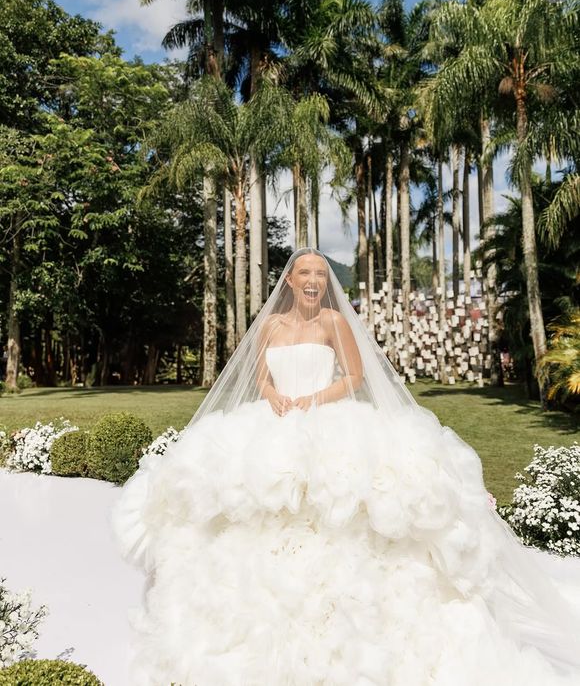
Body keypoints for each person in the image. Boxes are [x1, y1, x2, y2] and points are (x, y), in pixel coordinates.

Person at [113, 248, 580, 686]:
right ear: (290, 282)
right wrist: (275, 396)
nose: (314, 281)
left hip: (325, 420)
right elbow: (260, 376)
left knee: (337, 507)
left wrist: (314, 399)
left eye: (321, 274)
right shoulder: (271, 326)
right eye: (306, 274)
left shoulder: (335, 322)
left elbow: (355, 376)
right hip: (274, 421)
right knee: (251, 501)